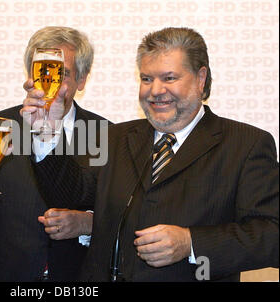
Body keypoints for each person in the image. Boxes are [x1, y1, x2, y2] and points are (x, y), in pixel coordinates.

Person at [23, 27, 279, 281]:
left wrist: (190, 243)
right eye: (146, 79)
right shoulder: (114, 137)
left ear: (200, 79)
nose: (155, 90)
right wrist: (47, 132)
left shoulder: (246, 145)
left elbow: (271, 235)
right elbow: (71, 194)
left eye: (169, 78)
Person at [0, 26, 110, 281]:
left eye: (62, 74)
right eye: (42, 73)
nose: (49, 85)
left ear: (82, 79)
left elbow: (120, 214)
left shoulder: (107, 134)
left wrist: (88, 223)